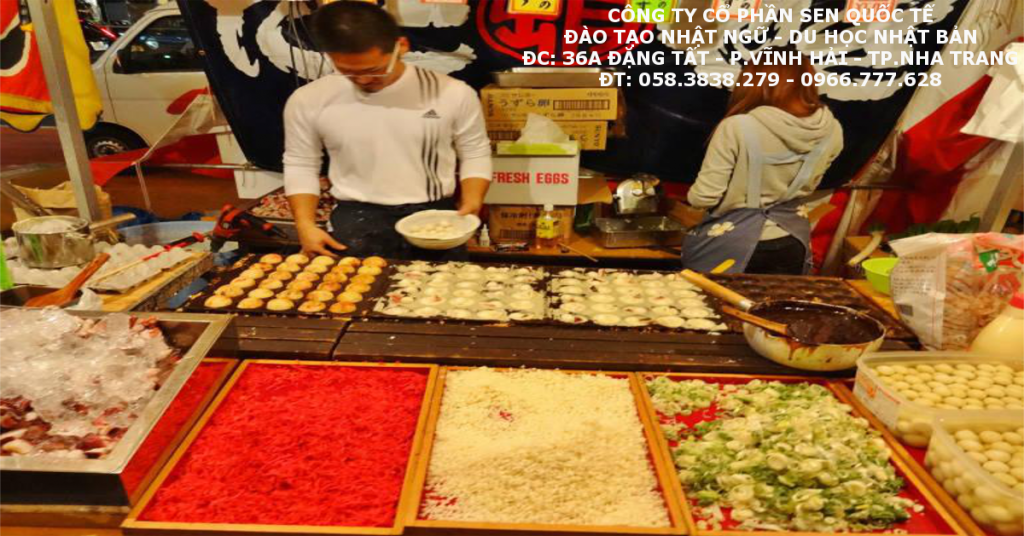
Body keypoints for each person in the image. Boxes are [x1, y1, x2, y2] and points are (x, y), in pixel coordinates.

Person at [283, 1, 491, 260]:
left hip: (434, 216)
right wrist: (304, 225)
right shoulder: (309, 99)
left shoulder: (452, 93)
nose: (363, 80)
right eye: (348, 72)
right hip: (356, 217)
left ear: (401, 46)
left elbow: (475, 151)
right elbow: (300, 162)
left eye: (375, 70)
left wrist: (472, 200)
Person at [681, 50, 843, 275]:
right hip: (792, 241)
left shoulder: (737, 126)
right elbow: (811, 183)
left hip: (733, 243)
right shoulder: (832, 129)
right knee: (780, 299)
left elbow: (703, 197)